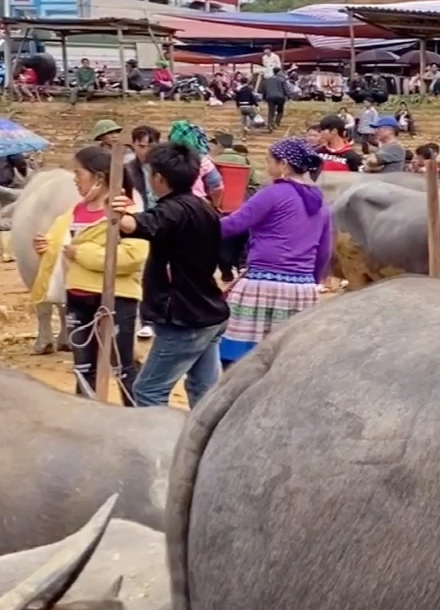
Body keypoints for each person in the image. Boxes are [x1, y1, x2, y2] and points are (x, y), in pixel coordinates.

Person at [110, 140, 228, 408]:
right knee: (205, 391)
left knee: (148, 390)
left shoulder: (173, 209)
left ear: (159, 178)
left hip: (184, 319)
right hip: (208, 312)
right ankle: (206, 444)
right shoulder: (205, 207)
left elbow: (142, 224)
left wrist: (119, 213)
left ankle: (156, 449)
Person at [31, 145, 148, 402]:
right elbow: (61, 248)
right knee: (84, 368)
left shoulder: (127, 211)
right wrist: (46, 247)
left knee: (123, 367)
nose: (74, 180)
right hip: (78, 298)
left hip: (116, 299)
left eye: (78, 173)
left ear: (99, 177)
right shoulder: (73, 212)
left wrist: (80, 253)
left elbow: (131, 257)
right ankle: (87, 420)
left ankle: (136, 420)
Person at [216, 137, 331, 366]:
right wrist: (310, 281)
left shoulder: (272, 194)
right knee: (286, 361)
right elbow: (324, 251)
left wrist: (193, 224)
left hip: (263, 285)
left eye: (270, 162)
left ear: (284, 165)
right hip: (302, 290)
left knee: (239, 362)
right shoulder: (320, 204)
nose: (268, 168)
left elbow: (232, 225)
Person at [261, 66, 290, 130]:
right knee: (280, 110)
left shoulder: (268, 80)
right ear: (279, 72)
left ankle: (270, 124)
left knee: (271, 111)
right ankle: (276, 123)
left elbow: (264, 90)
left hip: (270, 97)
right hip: (280, 97)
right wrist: (288, 96)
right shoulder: (282, 79)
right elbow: (286, 89)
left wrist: (264, 98)